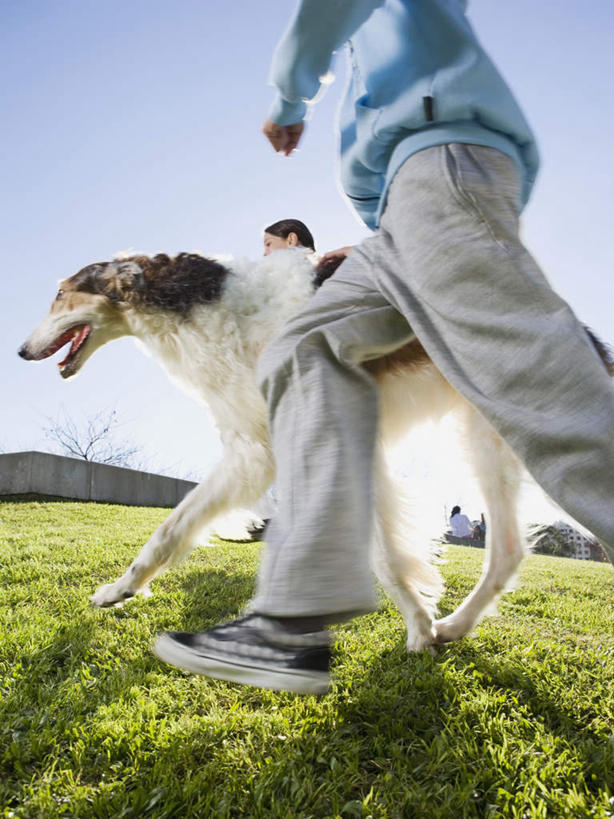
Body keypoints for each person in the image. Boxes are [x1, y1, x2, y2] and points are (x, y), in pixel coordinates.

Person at [154, 0, 614, 694]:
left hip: (443, 163)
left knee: (540, 386)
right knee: (300, 353)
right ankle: (294, 621)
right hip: (402, 209)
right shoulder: (384, 47)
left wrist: (287, 98)